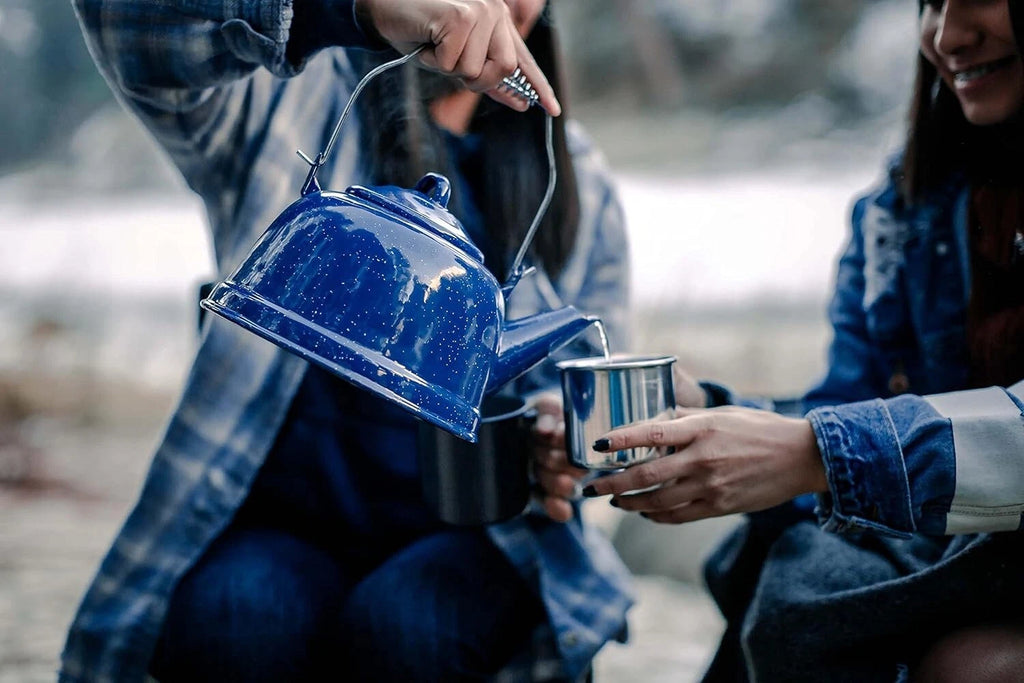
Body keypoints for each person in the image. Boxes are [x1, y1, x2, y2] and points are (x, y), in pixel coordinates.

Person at [59, 1, 634, 681]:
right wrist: (356, 9)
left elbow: (594, 398)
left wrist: (563, 442)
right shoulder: (288, 94)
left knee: (412, 623)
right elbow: (129, 28)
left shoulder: (574, 181)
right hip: (282, 513)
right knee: (236, 618)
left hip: (473, 526)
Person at [575, 0, 1024, 681]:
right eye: (931, 3)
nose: (947, 34)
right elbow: (849, 408)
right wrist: (710, 411)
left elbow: (842, 446)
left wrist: (817, 453)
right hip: (955, 554)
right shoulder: (901, 212)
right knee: (795, 565)